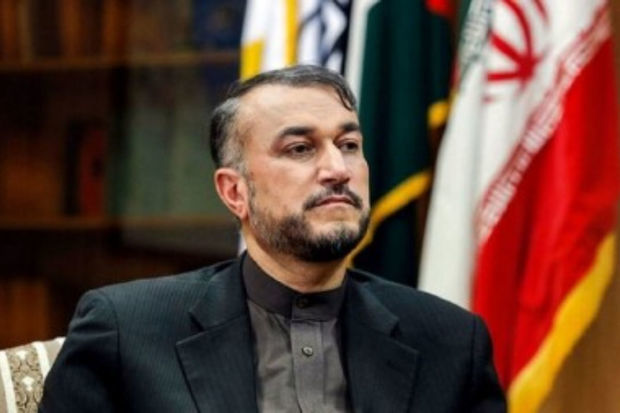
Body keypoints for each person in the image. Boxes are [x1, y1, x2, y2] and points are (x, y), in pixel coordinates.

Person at [40, 65, 506, 412]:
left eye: (348, 145)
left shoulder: (450, 342)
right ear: (234, 192)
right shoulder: (127, 331)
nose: (337, 170)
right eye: (300, 149)